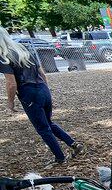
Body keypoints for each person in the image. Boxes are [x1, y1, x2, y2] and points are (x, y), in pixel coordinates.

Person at [1, 28, 83, 167]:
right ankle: (73, 144)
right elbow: (42, 74)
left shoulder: (4, 56)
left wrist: (10, 102)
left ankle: (60, 158)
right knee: (48, 123)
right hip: (42, 88)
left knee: (43, 128)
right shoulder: (22, 50)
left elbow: (11, 83)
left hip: (29, 92)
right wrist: (45, 90)